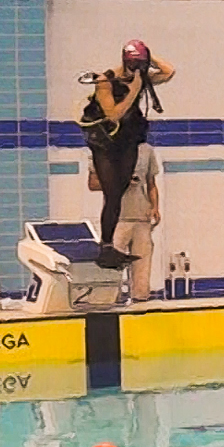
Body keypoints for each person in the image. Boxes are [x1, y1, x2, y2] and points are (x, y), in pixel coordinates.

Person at [81, 40, 174, 269]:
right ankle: (106, 248)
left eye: (140, 64)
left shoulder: (140, 76)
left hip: (126, 141)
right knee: (112, 194)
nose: (137, 69)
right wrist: (134, 89)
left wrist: (148, 57)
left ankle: (109, 249)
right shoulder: (105, 81)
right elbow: (113, 114)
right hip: (105, 144)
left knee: (120, 191)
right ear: (125, 62)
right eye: (133, 64)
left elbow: (168, 71)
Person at [112, 141, 161, 301]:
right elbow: (93, 184)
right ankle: (109, 298)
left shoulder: (146, 150)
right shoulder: (108, 148)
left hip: (142, 216)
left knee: (142, 265)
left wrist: (155, 207)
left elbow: (151, 184)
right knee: (113, 264)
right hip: (117, 217)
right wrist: (122, 180)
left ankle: (141, 299)